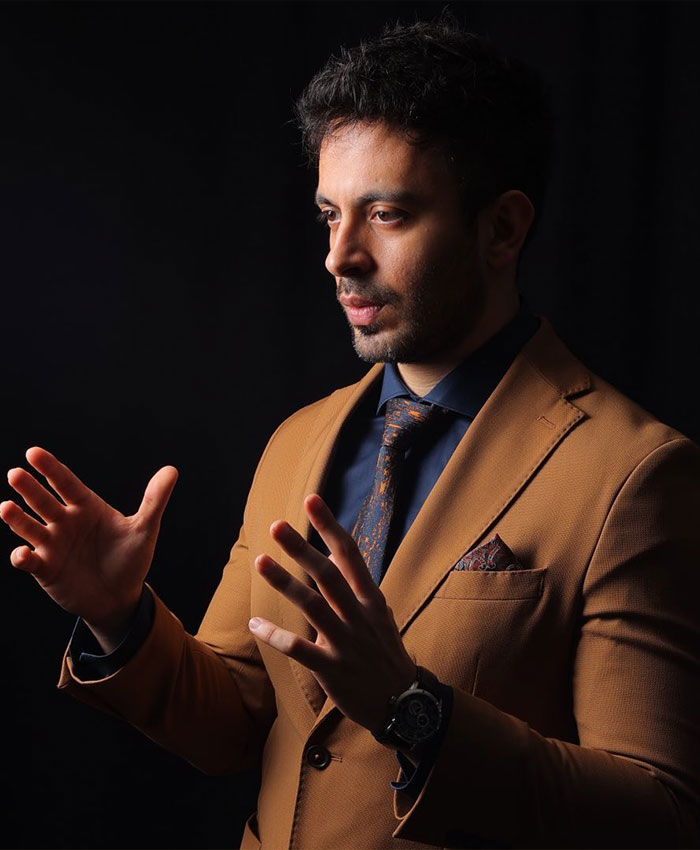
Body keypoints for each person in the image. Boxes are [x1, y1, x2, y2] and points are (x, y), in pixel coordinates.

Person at [3, 17, 700, 850]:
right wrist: (123, 619)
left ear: (503, 230)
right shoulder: (300, 439)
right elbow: (238, 723)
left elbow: (661, 816)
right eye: (331, 213)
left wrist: (414, 712)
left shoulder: (634, 472)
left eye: (388, 214)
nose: (340, 256)